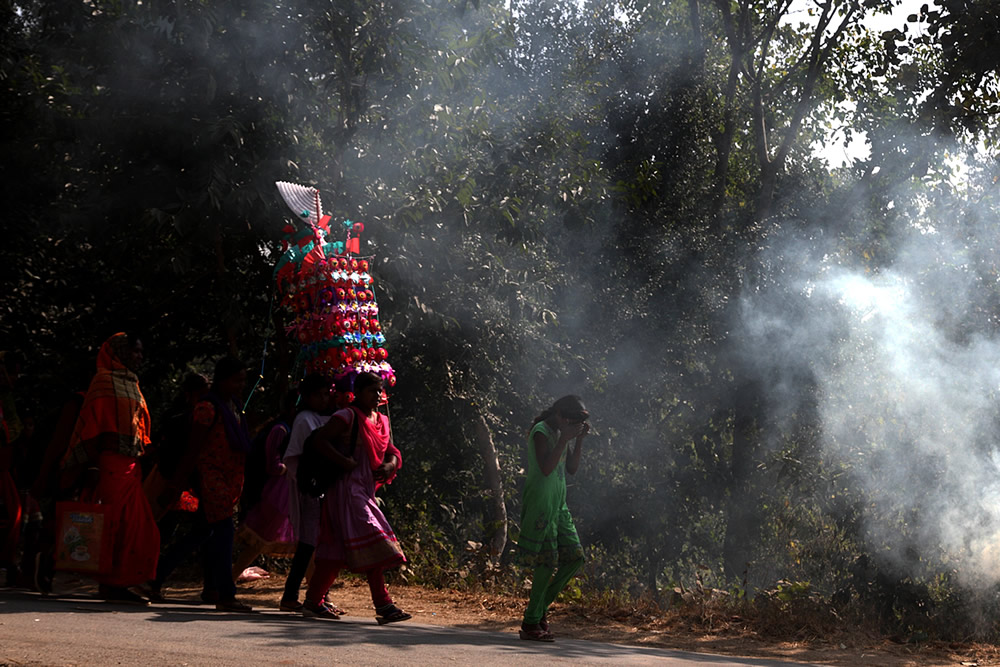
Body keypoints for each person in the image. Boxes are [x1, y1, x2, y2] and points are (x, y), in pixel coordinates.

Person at [59, 333, 160, 604]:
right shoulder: (102, 381)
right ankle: (113, 584)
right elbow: (92, 427)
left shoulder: (133, 384)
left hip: (131, 466)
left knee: (139, 527)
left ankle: (122, 581)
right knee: (118, 526)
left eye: (141, 352)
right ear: (119, 352)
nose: (139, 356)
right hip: (111, 466)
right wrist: (91, 465)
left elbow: (138, 427)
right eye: (135, 351)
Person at [302, 371, 410, 624]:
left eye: (379, 390)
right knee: (373, 540)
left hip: (365, 491)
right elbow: (320, 441)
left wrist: (391, 465)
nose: (377, 395)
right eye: (372, 390)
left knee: (337, 551)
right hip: (345, 491)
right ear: (358, 392)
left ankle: (312, 602)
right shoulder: (347, 416)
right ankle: (384, 605)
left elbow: (392, 451)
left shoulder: (381, 419)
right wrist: (344, 461)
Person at [151, 357, 253, 612]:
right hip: (211, 478)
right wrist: (176, 485)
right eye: (236, 380)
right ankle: (225, 594)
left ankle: (156, 578)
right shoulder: (208, 408)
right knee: (224, 531)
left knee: (202, 533)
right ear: (222, 380)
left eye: (243, 380)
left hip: (230, 481)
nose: (241, 385)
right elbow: (192, 450)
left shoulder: (234, 405)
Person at [515, 395, 589, 642]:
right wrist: (565, 438)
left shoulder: (560, 432)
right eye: (571, 420)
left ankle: (538, 610)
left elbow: (572, 469)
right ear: (560, 415)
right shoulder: (541, 431)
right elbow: (546, 468)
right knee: (546, 563)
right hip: (541, 505)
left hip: (558, 504)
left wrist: (577, 440)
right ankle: (531, 622)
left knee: (575, 558)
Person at [231, 388, 298, 580]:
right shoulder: (280, 430)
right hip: (277, 494)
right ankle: (230, 579)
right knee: (260, 540)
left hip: (287, 492)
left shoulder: (292, 428)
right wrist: (292, 468)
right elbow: (273, 465)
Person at [279, 373, 332, 611]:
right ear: (307, 397)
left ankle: (313, 595)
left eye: (326, 394)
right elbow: (294, 457)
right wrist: (308, 483)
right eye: (318, 395)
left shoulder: (323, 418)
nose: (324, 399)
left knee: (314, 544)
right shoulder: (303, 420)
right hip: (310, 489)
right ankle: (296, 596)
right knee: (308, 544)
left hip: (323, 487)